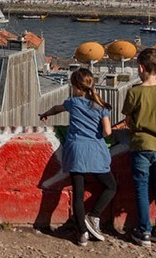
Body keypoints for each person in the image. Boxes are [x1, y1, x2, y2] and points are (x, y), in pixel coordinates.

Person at [40, 68, 116, 246]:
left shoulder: (73, 103)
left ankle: (82, 233)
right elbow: (107, 131)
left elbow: (57, 109)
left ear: (75, 87)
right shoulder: (101, 107)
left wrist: (44, 115)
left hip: (75, 151)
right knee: (110, 186)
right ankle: (94, 215)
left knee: (78, 194)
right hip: (96, 152)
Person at [122, 46, 156, 246]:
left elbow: (127, 118)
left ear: (140, 68)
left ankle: (144, 231)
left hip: (140, 144)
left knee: (142, 189)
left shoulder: (134, 92)